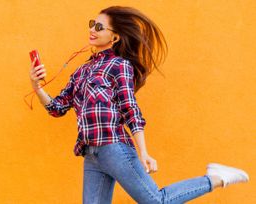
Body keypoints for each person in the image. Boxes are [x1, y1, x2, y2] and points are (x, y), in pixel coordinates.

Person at [29, 5, 249, 204]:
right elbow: (56, 108)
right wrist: (37, 86)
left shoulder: (119, 66)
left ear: (114, 37)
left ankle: (215, 178)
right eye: (91, 24)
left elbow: (130, 109)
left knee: (156, 201)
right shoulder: (82, 71)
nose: (92, 29)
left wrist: (143, 152)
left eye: (99, 26)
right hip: (91, 154)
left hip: (114, 148)